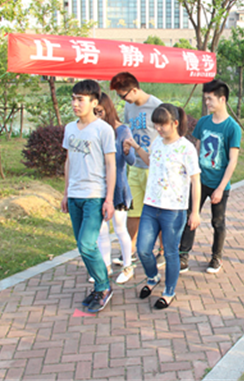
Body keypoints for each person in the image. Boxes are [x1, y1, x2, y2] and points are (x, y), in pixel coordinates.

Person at [123, 104, 201, 309]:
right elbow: (152, 161)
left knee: (170, 253)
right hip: (151, 205)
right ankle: (152, 277)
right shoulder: (157, 142)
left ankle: (169, 292)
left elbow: (196, 180)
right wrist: (136, 147)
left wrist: (195, 212)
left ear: (175, 123)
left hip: (174, 210)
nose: (158, 128)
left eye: (162, 125)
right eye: (156, 124)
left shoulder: (186, 148)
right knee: (143, 249)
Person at [61, 80, 116, 313]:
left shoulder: (103, 129)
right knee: (81, 245)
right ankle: (99, 287)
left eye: (80, 99)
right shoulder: (70, 128)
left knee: (86, 244)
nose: (75, 104)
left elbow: (111, 164)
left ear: (94, 102)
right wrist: (65, 193)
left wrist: (109, 199)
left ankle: (103, 287)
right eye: (73, 99)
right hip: (74, 195)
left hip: (95, 195)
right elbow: (68, 160)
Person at [179, 80, 241, 274]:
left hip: (219, 183)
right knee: (190, 216)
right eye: (205, 98)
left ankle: (216, 257)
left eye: (210, 99)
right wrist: (192, 175)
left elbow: (232, 160)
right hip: (200, 181)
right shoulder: (204, 122)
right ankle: (183, 255)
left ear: (222, 99)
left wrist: (221, 188)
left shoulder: (232, 128)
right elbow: (197, 149)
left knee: (218, 222)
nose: (207, 103)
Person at [109, 72, 165, 267]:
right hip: (135, 167)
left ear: (134, 90)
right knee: (133, 211)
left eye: (123, 95)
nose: (122, 99)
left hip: (153, 167)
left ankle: (163, 250)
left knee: (158, 211)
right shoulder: (129, 106)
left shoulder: (157, 106)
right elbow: (128, 130)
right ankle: (129, 250)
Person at [93, 92, 136, 285]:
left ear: (108, 109)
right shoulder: (94, 129)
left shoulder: (122, 130)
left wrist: (127, 150)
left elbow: (132, 160)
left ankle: (128, 266)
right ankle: (106, 267)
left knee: (119, 229)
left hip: (118, 189)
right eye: (94, 112)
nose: (97, 116)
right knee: (101, 231)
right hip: (98, 187)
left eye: (100, 111)